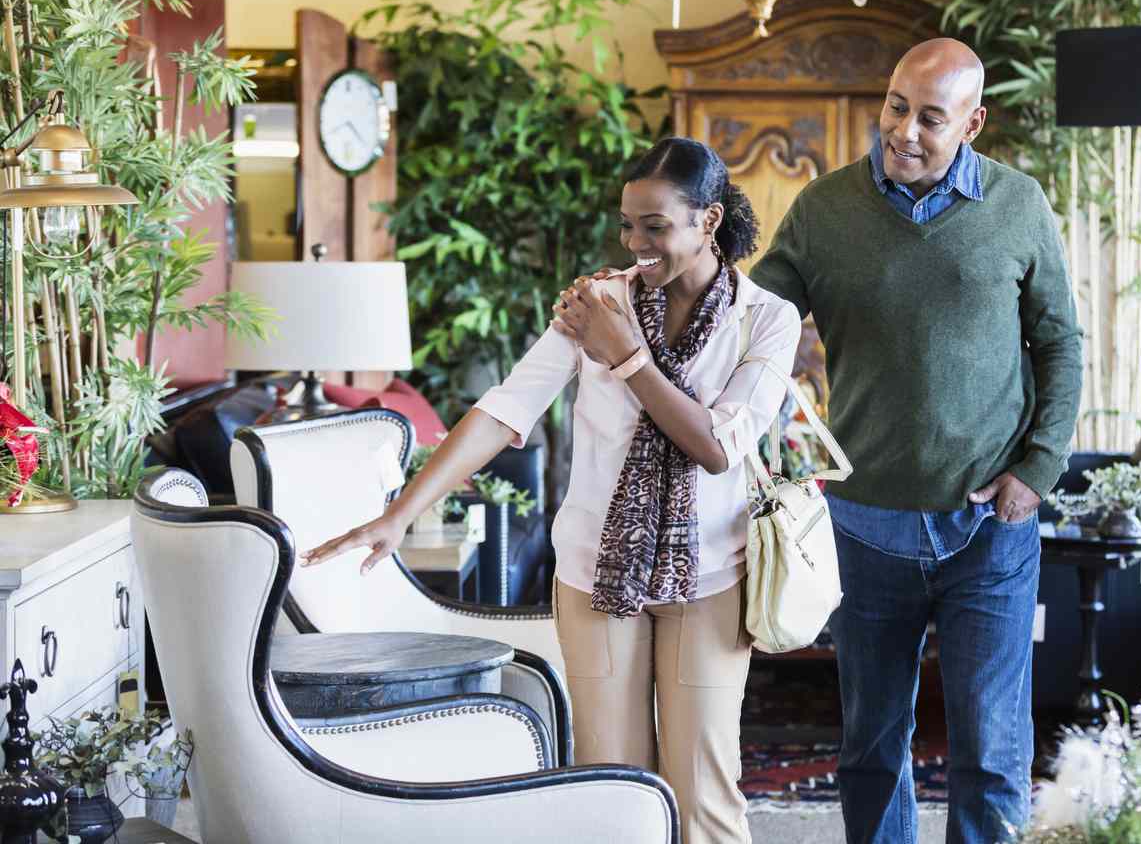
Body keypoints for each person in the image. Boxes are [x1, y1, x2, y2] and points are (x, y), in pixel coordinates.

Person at [304, 137, 801, 844]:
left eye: (655, 226)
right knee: (614, 782)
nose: (636, 243)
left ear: (709, 220)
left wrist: (626, 356)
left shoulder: (768, 319)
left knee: (704, 792)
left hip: (712, 574)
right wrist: (399, 514)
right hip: (594, 568)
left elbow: (717, 446)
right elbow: (505, 409)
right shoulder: (598, 303)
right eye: (628, 225)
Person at [749, 37, 1085, 843]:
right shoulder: (825, 210)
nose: (903, 130)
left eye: (931, 118)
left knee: (992, 749)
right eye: (896, 106)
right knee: (870, 746)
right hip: (863, 525)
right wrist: (789, 456)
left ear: (973, 123)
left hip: (989, 530)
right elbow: (749, 332)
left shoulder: (1018, 204)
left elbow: (1060, 345)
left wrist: (1035, 472)